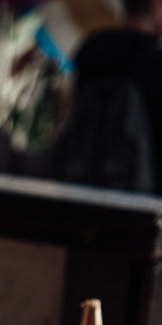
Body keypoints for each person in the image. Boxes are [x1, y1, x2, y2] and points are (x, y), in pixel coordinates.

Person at [59, 0, 162, 191]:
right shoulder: (155, 64)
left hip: (78, 187)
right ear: (154, 5)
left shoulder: (90, 48)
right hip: (141, 199)